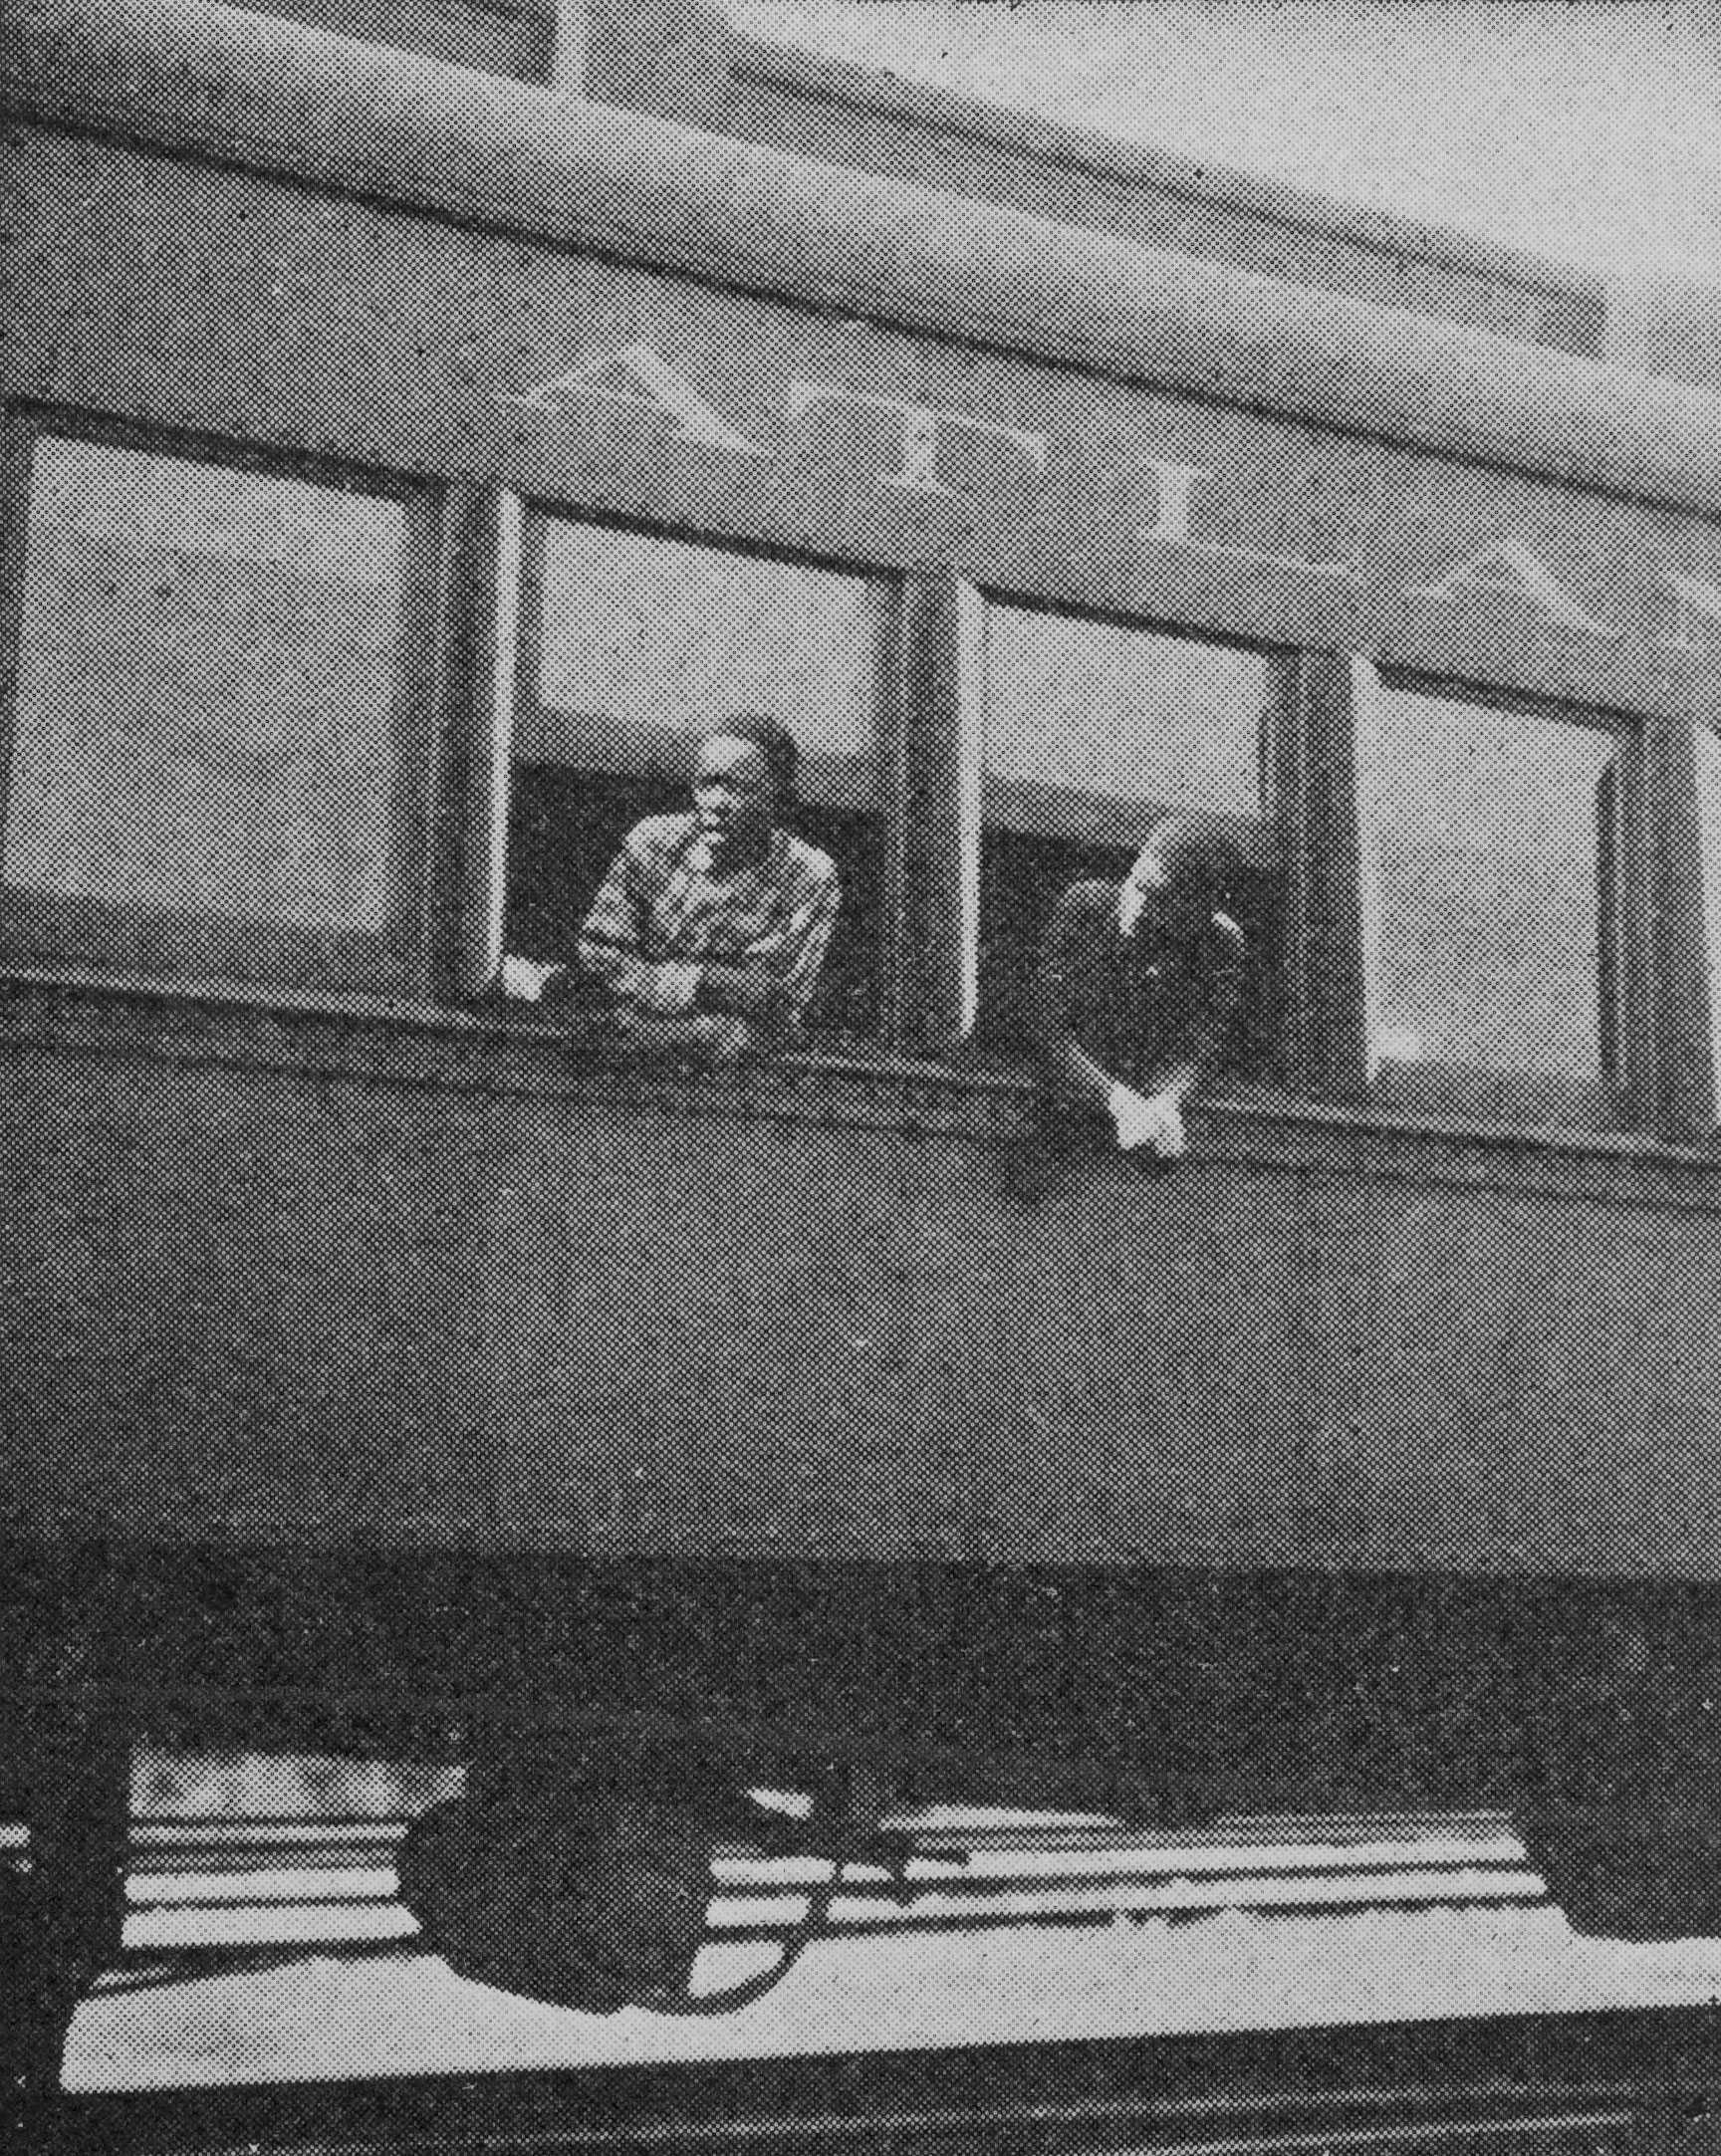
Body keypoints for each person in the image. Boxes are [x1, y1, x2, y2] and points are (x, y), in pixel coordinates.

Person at [506, 716, 839, 1065]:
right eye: (706, 783)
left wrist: (641, 1004)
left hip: (737, 1087)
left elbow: (770, 1002)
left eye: (739, 788)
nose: (716, 802)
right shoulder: (654, 842)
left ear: (778, 796)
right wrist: (704, 983)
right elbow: (599, 959)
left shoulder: (809, 874)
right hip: (627, 1070)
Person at [1030, 809, 1248, 1163]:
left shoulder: (1220, 946)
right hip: (1056, 1136)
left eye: (1157, 899)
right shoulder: (1084, 908)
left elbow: (1202, 1047)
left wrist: (1167, 1102)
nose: (1137, 907)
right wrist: (1117, 1101)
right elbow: (1048, 1030)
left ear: (1195, 915)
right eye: (1138, 885)